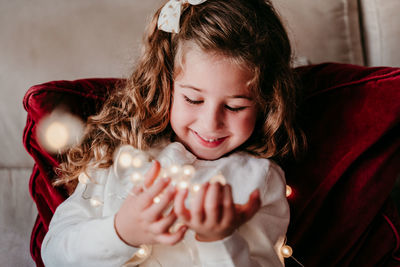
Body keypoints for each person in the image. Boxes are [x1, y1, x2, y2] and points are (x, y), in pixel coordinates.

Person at [41, 0, 305, 266]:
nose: (211, 123)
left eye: (234, 106)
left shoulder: (259, 180)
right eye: (193, 99)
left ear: (267, 102)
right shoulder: (121, 152)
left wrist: (218, 240)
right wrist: (121, 232)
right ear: (166, 85)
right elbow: (54, 254)